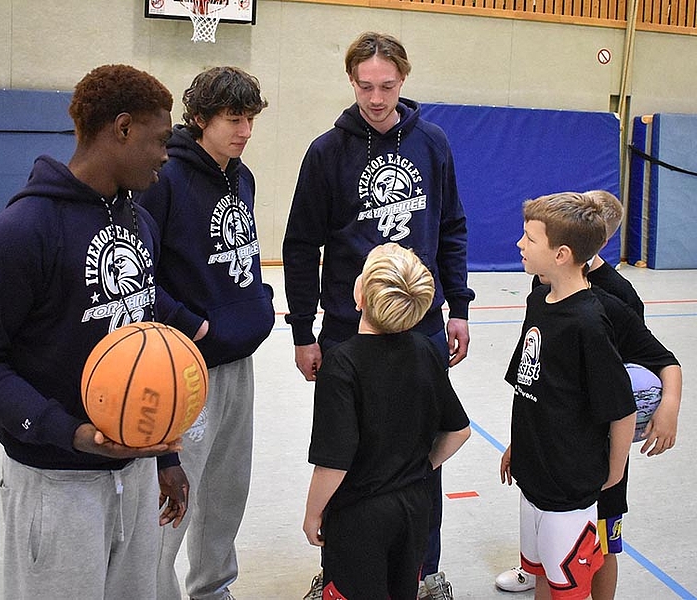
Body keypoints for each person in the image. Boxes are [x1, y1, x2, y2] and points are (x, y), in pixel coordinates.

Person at [0, 64, 206, 600]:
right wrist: (69, 432)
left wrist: (164, 457)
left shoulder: (139, 223)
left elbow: (142, 337)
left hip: (135, 475)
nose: (167, 155)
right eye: (160, 140)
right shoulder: (20, 232)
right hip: (55, 479)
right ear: (122, 128)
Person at [283, 31, 475, 591]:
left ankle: (423, 572)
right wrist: (303, 330)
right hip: (350, 330)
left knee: (420, 454)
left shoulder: (433, 143)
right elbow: (301, 246)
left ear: (403, 79)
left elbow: (452, 227)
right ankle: (340, 573)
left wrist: (459, 306)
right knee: (348, 451)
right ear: (351, 81)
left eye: (386, 86)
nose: (375, 98)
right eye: (365, 86)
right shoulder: (327, 152)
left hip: (423, 326)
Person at [496, 190, 682, 598]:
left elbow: (629, 396)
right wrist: (520, 443)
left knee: (591, 558)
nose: (520, 244)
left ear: (563, 253)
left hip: (580, 474)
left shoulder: (602, 311)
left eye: (529, 237)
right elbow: (534, 384)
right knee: (546, 574)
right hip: (540, 469)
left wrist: (614, 471)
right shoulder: (540, 296)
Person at [136, 66, 274, 600]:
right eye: (234, 120)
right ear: (198, 118)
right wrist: (191, 323)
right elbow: (136, 273)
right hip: (185, 364)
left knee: (227, 489)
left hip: (238, 359)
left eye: (250, 120)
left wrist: (258, 303)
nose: (245, 131)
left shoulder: (243, 177)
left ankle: (213, 587)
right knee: (177, 493)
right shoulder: (164, 179)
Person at [303, 243, 471, 600]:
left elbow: (333, 463)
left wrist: (313, 514)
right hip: (415, 506)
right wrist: (417, 468)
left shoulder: (342, 364)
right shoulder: (426, 351)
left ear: (359, 296)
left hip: (359, 515)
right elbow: (459, 430)